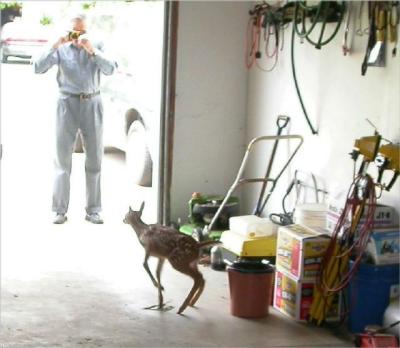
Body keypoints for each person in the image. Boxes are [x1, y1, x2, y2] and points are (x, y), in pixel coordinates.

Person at [34, 14, 117, 224]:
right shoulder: (60, 47)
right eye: (73, 31)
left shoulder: (96, 44)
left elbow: (111, 69)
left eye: (81, 31)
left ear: (87, 30)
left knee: (95, 159)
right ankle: (59, 210)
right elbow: (37, 67)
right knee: (62, 160)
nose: (77, 36)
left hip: (92, 102)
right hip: (66, 103)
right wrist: (54, 45)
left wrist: (93, 51)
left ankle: (94, 210)